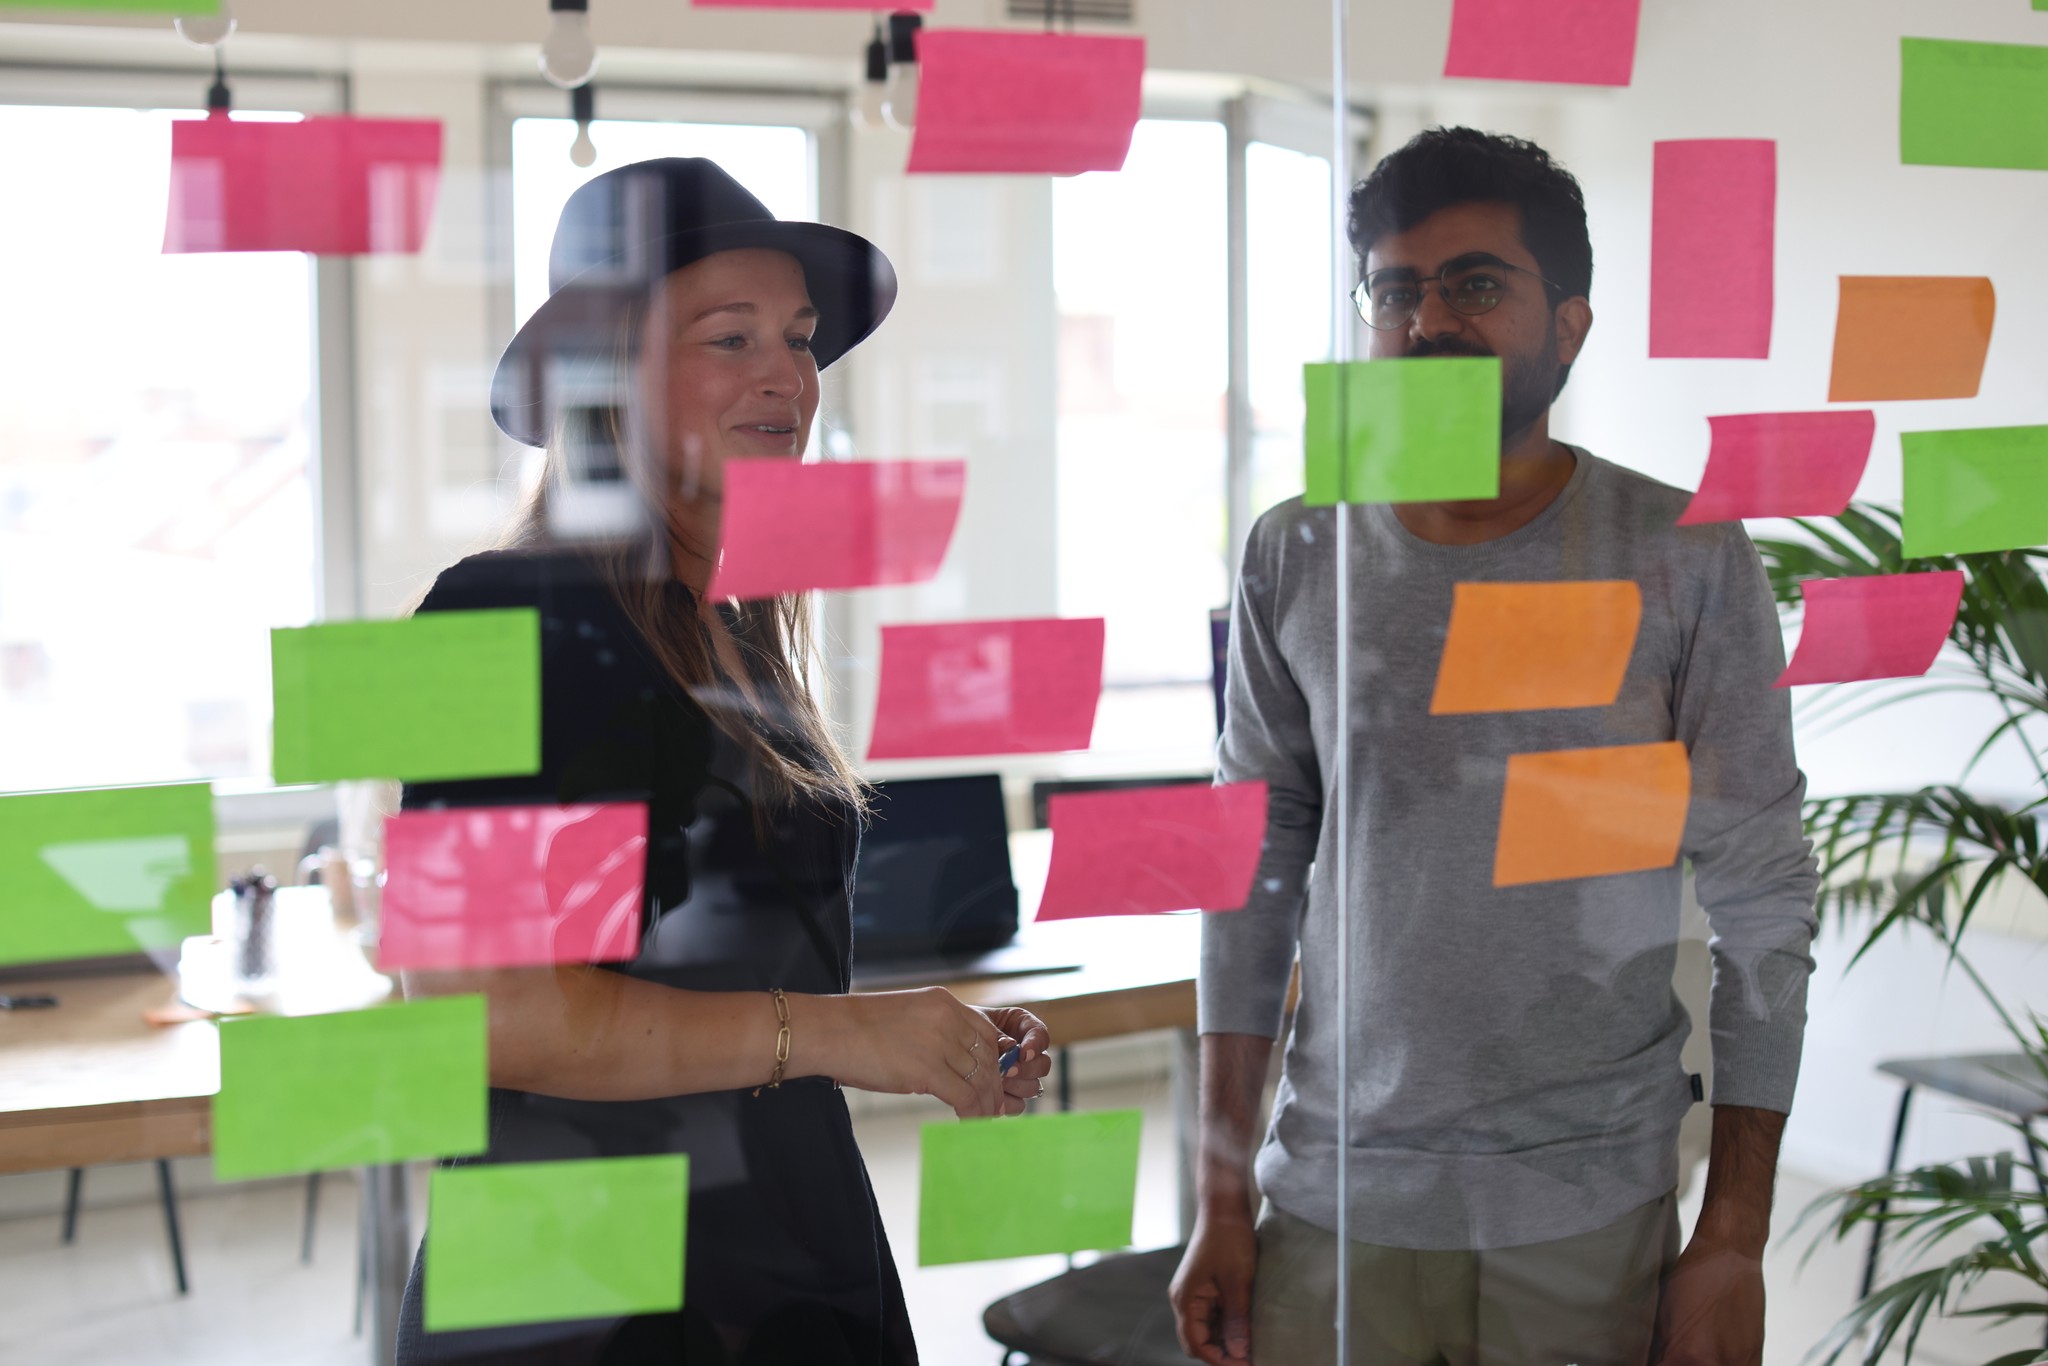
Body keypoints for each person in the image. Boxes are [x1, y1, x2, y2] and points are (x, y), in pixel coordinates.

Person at [1170, 128, 1820, 1365]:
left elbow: (1761, 893)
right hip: (1338, 1194)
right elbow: (1247, 882)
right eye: (1394, 289)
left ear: (1567, 325)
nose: (1426, 321)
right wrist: (1216, 1197)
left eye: (1474, 282)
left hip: (1586, 1199)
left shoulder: (1678, 551)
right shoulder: (1297, 549)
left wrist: (1731, 1229)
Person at [393, 158, 1054, 1366]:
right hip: (589, 1285)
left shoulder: (732, 627)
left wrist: (926, 1040)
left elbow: (732, 967)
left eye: (798, 339)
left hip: (782, 1250)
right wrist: (849, 1034)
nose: (787, 375)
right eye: (728, 335)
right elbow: (489, 1010)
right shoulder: (509, 615)